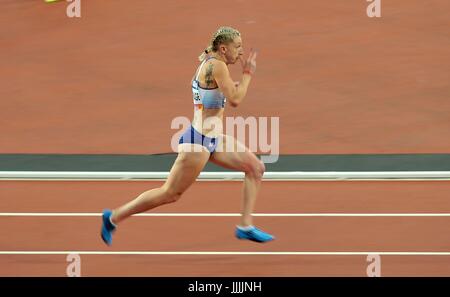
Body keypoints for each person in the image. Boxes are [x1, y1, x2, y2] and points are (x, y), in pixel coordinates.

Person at [101, 26, 274, 245]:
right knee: (170, 194)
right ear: (223, 48)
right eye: (237, 47)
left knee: (255, 168)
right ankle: (113, 217)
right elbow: (236, 99)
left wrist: (231, 86)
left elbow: (215, 93)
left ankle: (245, 226)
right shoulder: (217, 66)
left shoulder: (212, 63)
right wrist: (248, 74)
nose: (240, 52)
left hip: (214, 138)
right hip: (198, 142)